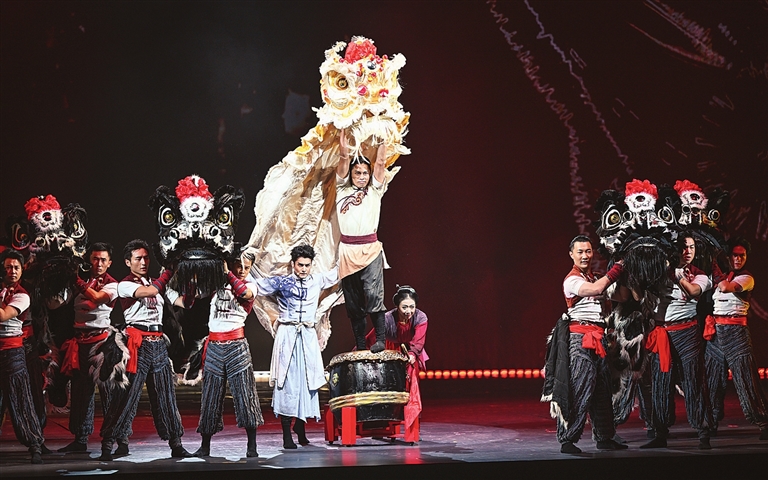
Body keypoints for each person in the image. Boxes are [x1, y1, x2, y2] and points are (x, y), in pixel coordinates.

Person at [98, 239, 191, 461]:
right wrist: (169, 271)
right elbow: (148, 291)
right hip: (136, 345)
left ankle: (176, 443)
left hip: (158, 343)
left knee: (166, 395)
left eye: (146, 258)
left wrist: (191, 280)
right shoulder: (125, 285)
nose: (143, 262)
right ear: (127, 262)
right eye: (138, 258)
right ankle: (109, 443)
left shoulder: (157, 284)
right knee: (125, 396)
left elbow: (183, 303)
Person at [545, 235, 628, 454]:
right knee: (580, 387)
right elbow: (593, 290)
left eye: (588, 251)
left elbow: (623, 296)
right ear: (571, 254)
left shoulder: (596, 277)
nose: (585, 256)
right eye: (580, 252)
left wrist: (627, 273)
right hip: (580, 339)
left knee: (602, 390)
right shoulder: (572, 280)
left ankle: (604, 436)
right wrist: (616, 270)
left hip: (599, 338)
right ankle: (567, 439)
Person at [256, 244, 338, 449]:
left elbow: (340, 272)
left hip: (307, 336)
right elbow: (256, 286)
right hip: (288, 335)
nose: (303, 269)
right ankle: (286, 433)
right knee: (287, 383)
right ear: (293, 264)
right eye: (300, 265)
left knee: (307, 382)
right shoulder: (282, 282)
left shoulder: (317, 280)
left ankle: (300, 426)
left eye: (307, 265)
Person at [51, 243, 130, 454]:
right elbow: (56, 303)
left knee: (110, 394)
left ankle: (121, 439)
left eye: (103, 259)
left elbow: (94, 300)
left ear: (110, 263)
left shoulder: (113, 284)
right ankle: (80, 438)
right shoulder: (80, 281)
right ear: (89, 260)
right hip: (80, 343)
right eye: (95, 259)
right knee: (80, 393)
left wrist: (74, 279)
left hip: (103, 343)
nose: (99, 263)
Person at [642, 233, 714, 449]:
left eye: (691, 247)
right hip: (662, 333)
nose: (688, 251)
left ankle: (703, 431)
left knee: (694, 380)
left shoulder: (700, 275)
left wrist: (675, 274)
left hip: (687, 332)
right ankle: (660, 432)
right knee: (660, 383)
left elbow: (693, 292)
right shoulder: (659, 272)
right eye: (683, 247)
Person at [193, 249, 263, 458]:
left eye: (247, 267)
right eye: (239, 266)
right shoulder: (216, 285)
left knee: (245, 394)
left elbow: (244, 294)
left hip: (236, 345)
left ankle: (252, 446)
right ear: (231, 264)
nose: (242, 270)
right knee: (210, 396)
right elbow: (194, 292)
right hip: (215, 344)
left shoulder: (251, 285)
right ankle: (205, 446)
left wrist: (227, 273)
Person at [704, 238, 768, 440]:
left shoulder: (746, 278)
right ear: (728, 256)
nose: (738, 259)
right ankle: (710, 422)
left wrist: (713, 264)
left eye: (742, 255)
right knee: (712, 380)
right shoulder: (723, 276)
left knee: (746, 379)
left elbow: (725, 288)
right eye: (735, 255)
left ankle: (763, 422)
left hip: (736, 333)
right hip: (716, 333)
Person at [336, 129, 392, 353]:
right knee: (353, 300)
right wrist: (343, 142)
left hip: (370, 250)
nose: (361, 176)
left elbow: (381, 163)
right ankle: (360, 344)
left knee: (373, 294)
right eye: (357, 172)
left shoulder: (375, 190)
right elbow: (343, 158)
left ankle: (380, 339)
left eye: (365, 173)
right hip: (347, 251)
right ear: (351, 174)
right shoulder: (341, 188)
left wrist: (383, 138)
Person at [365, 285, 428, 440]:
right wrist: (360, 352)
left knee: (410, 387)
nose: (408, 311)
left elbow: (419, 340)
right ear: (396, 306)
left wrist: (412, 354)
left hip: (411, 352)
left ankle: (412, 426)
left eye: (412, 307)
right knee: (385, 386)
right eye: (404, 307)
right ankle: (383, 425)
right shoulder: (387, 318)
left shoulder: (420, 317)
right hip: (389, 351)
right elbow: (372, 338)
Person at [0, 250, 46, 464]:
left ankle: (35, 443)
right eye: (8, 267)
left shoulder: (23, 295)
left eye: (16, 267)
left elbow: (3, 315)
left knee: (21, 399)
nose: (12, 271)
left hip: (12, 352)